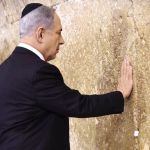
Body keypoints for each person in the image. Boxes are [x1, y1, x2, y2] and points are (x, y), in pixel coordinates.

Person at [0, 3, 133, 150]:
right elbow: (79, 105)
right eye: (58, 32)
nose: (62, 40)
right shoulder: (39, 72)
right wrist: (119, 95)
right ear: (41, 33)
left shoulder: (4, 69)